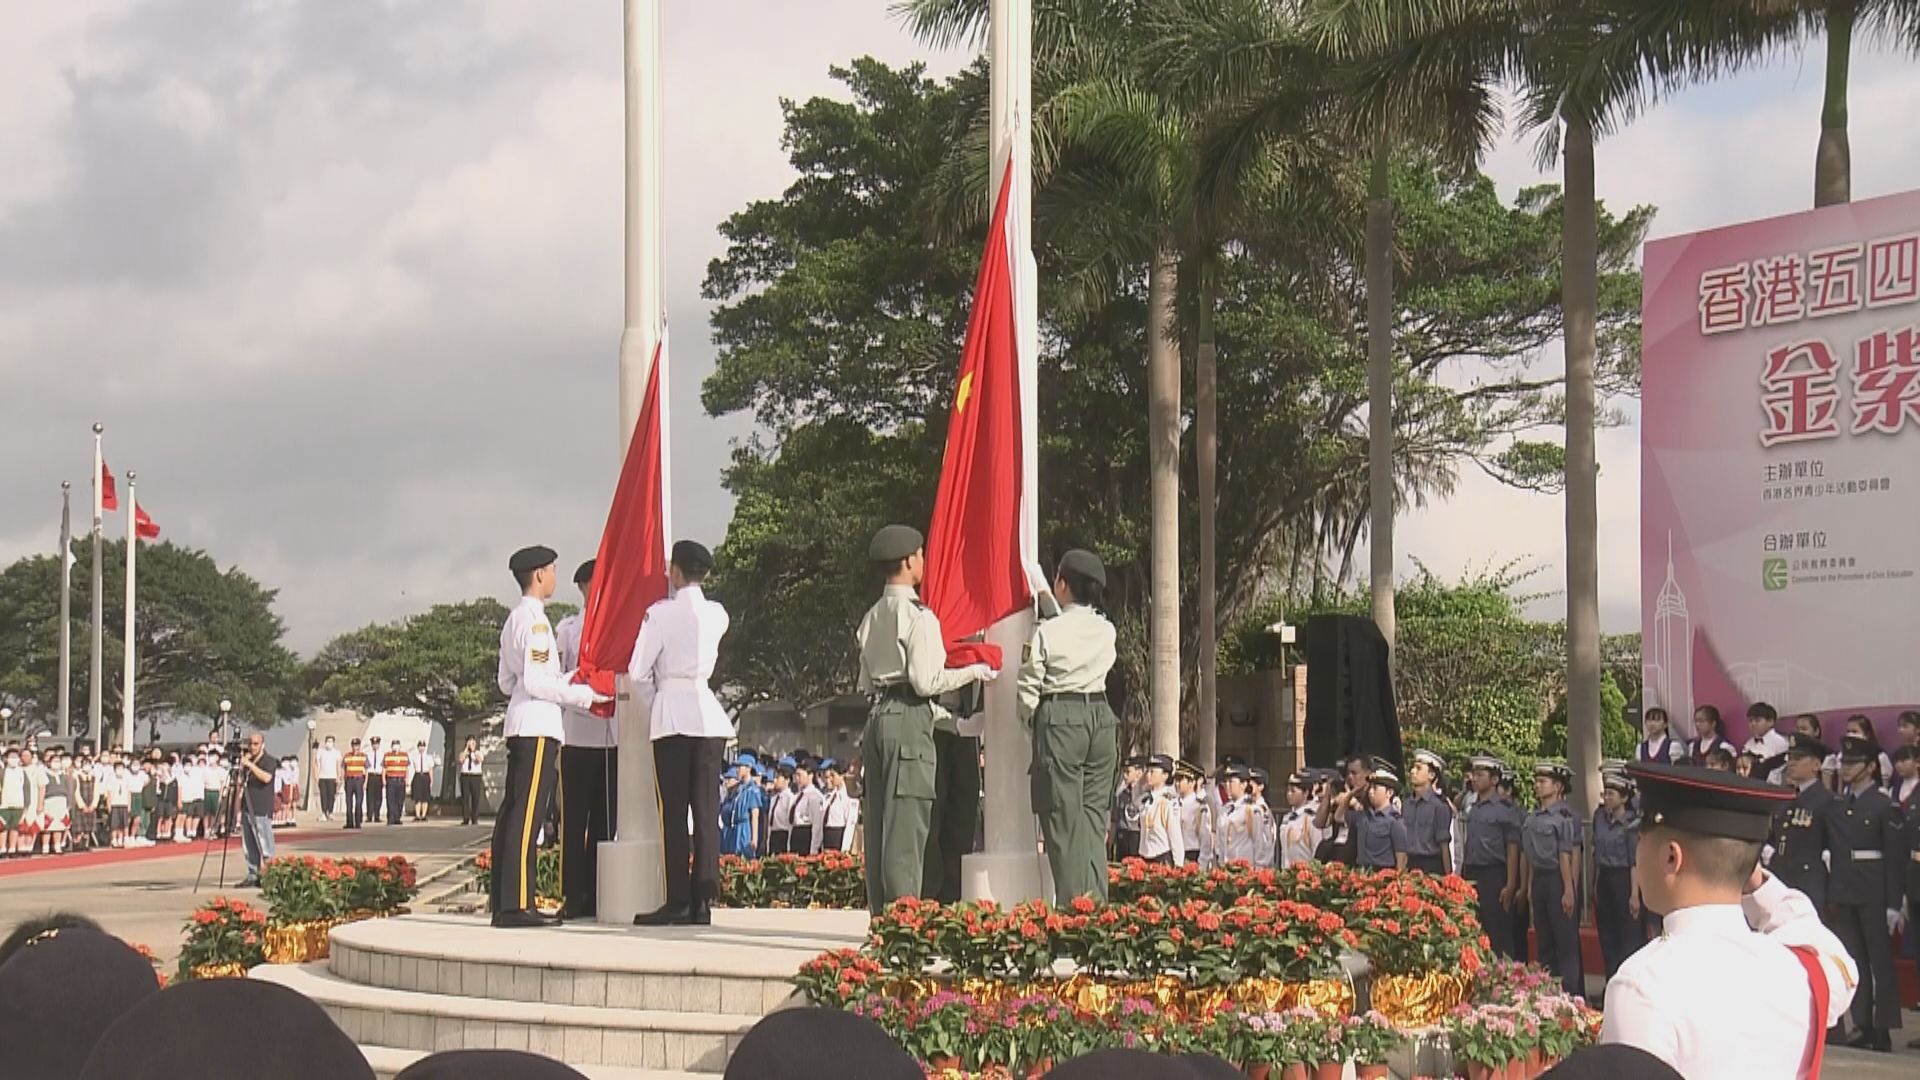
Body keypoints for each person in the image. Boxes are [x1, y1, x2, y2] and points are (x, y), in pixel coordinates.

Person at [1600, 761, 1858, 1079]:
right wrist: (1757, 882)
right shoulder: (1799, 970)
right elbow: (1833, 956)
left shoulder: (1641, 984)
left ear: (1671, 857)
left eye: (1640, 841)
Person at [852, 524, 994, 913]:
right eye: (921, 555)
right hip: (910, 716)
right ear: (909, 561)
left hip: (879, 715)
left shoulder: (872, 616)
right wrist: (975, 670)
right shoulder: (920, 617)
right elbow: (927, 680)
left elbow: (866, 681)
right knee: (907, 829)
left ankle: (882, 917)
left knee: (880, 825)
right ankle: (905, 923)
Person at [492, 545, 602, 929]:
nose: (556, 576)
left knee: (512, 814)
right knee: (527, 819)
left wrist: (569, 680)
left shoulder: (514, 620)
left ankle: (503, 901)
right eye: (553, 570)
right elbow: (537, 681)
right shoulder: (538, 624)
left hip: (520, 720)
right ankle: (518, 905)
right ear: (539, 575)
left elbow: (507, 681)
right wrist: (582, 695)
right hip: (538, 726)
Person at [631, 541, 734, 928]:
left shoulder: (659, 615)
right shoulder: (717, 615)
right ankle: (703, 900)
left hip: (672, 714)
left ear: (675, 572)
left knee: (673, 814)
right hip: (707, 715)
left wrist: (656, 705)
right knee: (706, 813)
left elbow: (638, 671)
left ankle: (677, 901)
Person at [1017, 548, 1121, 902]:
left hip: (1061, 717)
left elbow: (1029, 684)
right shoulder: (1106, 631)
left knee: (1062, 820)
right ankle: (1097, 907)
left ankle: (1075, 909)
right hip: (1101, 718)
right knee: (1093, 820)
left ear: (1062, 584)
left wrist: (1034, 722)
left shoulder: (1048, 633)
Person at [1825, 734, 1906, 1051]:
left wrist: (1893, 904)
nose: (1846, 768)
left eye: (1854, 763)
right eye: (1844, 762)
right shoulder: (1841, 804)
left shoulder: (1884, 805)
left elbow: (1895, 859)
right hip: (1845, 890)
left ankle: (1883, 1027)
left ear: (1871, 767)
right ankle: (1862, 1024)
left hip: (1874, 892)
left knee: (1879, 962)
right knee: (1854, 961)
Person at [553, 559, 616, 918]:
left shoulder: (618, 624)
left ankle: (598, 893)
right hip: (577, 734)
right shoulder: (569, 629)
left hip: (611, 737)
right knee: (574, 822)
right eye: (594, 584)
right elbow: (560, 675)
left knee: (606, 824)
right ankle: (573, 895)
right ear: (582, 587)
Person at [1521, 760, 1583, 997]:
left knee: (1565, 944)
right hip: (1540, 880)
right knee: (1544, 942)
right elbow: (1530, 856)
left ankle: (1570, 996)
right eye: (1537, 781)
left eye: (1543, 782)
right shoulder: (1532, 818)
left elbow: (1565, 855)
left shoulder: (1563, 818)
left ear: (1557, 787)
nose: (1537, 786)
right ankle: (1548, 995)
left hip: (1558, 878)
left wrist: (1569, 889)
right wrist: (1529, 887)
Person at [1460, 754, 1523, 960]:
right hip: (1473, 872)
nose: (1475, 778)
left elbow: (1512, 849)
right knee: (1477, 931)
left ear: (1494, 780)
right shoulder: (1473, 808)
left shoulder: (1505, 811)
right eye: (1474, 774)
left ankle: (1504, 982)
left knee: (1499, 933)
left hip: (1495, 874)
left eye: (1480, 774)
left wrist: (1511, 883)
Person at [1768, 734, 1836, 912]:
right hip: (1781, 878)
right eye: (1790, 758)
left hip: (1809, 883)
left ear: (1816, 765)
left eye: (1798, 758)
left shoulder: (1826, 800)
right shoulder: (1786, 797)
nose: (1791, 763)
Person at [1592, 773, 1643, 978]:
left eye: (1612, 794)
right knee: (1608, 937)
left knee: (1628, 939)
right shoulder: (1599, 819)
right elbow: (1596, 853)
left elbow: (1634, 862)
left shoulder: (1631, 824)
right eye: (1605, 793)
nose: (1607, 798)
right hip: (1604, 877)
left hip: (1624, 880)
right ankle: (1610, 981)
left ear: (1624, 798)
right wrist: (1594, 883)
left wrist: (1634, 894)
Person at [235, 731, 278, 887]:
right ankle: (253, 874)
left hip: (261, 808)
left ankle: (269, 874)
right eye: (250, 744)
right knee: (249, 843)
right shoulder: (247, 761)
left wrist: (250, 765)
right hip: (247, 806)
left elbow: (266, 778)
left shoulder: (269, 761)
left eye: (255, 744)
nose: (252, 747)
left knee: (264, 843)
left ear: (262, 744)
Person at [1403, 750, 1454, 875]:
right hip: (1410, 864)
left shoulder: (1439, 806)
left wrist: (1448, 878)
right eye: (1413, 767)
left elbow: (1444, 846)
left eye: (1418, 768)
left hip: (1431, 866)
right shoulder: (1406, 804)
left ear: (1431, 775)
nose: (1412, 771)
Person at [1354, 762, 1408, 871]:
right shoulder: (1364, 816)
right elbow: (1338, 817)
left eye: (1375, 788)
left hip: (1383, 875)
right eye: (1370, 788)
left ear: (1389, 793)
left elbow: (1401, 858)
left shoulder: (1395, 822)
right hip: (1362, 872)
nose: (1370, 792)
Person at [1135, 755, 1183, 866]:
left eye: (1153, 772)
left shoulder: (1168, 801)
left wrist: (1178, 864)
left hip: (1161, 856)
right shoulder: (1145, 800)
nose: (1148, 775)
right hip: (1144, 855)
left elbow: (1175, 835)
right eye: (1148, 771)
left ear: (1165, 775)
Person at [1276, 771, 1321, 868]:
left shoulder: (1311, 818)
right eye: (1287, 790)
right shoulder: (1287, 818)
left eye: (1293, 791)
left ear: (1305, 792)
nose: (1288, 794)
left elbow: (1316, 849)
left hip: (1305, 874)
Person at [1178, 762, 1215, 867]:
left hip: (1192, 853)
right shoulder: (1174, 804)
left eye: (1181, 780)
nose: (1177, 784)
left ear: (1192, 782)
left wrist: (1202, 863)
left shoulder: (1199, 806)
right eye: (1176, 780)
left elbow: (1205, 837)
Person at [1743, 702, 1790, 784]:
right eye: (1750, 720)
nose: (1753, 724)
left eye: (1757, 720)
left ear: (1771, 722)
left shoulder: (1780, 743)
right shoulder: (1748, 743)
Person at [1111, 756, 1145, 860]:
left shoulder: (1144, 794)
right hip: (1122, 834)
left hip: (1137, 835)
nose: (1125, 776)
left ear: (1138, 773)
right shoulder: (1122, 793)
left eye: (1128, 772)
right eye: (1124, 772)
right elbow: (1115, 817)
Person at [789, 759, 825, 855]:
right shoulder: (797, 796)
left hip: (806, 835)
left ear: (810, 776)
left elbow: (817, 824)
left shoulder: (815, 796)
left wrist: (814, 849)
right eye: (795, 775)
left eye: (799, 775)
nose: (797, 779)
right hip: (796, 834)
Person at [821, 761, 858, 851]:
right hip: (827, 835)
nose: (831, 779)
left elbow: (850, 825)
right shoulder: (829, 796)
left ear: (842, 776)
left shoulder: (848, 797)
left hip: (838, 836)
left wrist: (844, 849)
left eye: (833, 776)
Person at [378, 738, 409, 826]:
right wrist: (383, 779)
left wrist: (407, 779)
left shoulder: (404, 755)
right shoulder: (387, 755)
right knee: (391, 800)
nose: (396, 747)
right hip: (391, 780)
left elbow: (406, 768)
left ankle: (397, 818)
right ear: (391, 747)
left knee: (400, 800)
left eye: (397, 745)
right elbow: (384, 768)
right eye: (394, 745)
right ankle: (391, 818)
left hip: (401, 780)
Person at [766, 765, 796, 855]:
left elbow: (790, 822)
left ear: (787, 780)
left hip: (784, 835)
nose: (775, 781)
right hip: (773, 834)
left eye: (778, 778)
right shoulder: (774, 798)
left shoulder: (790, 798)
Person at [341, 737, 368, 830]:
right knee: (348, 803)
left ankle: (358, 822)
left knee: (358, 802)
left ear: (359, 746)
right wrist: (343, 781)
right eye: (353, 745)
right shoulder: (347, 756)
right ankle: (349, 822)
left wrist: (365, 783)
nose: (355, 748)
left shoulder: (363, 756)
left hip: (359, 780)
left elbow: (367, 770)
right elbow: (344, 769)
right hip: (349, 780)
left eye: (357, 745)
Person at [313, 735, 340, 822]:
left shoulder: (336, 753)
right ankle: (324, 812)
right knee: (323, 796)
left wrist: (338, 777)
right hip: (322, 777)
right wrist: (316, 777)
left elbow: (338, 765)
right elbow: (316, 764)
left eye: (331, 741)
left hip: (332, 777)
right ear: (325, 742)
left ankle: (330, 812)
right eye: (328, 741)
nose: (329, 743)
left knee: (331, 796)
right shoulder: (321, 752)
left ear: (333, 743)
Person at [408, 740, 435, 821]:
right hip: (418, 775)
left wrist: (431, 780)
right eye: (420, 746)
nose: (421, 748)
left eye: (423, 746)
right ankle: (417, 815)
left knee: (425, 797)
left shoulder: (429, 757)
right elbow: (411, 768)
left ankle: (423, 815)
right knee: (417, 797)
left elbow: (430, 769)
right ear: (418, 747)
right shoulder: (414, 757)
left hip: (426, 776)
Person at [365, 735, 386, 826]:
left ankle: (377, 816)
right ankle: (369, 816)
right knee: (370, 797)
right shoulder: (367, 754)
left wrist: (383, 779)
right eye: (373, 744)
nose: (375, 746)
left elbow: (384, 767)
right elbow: (365, 767)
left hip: (379, 776)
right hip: (370, 776)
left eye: (376, 744)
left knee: (378, 797)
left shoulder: (383, 754)